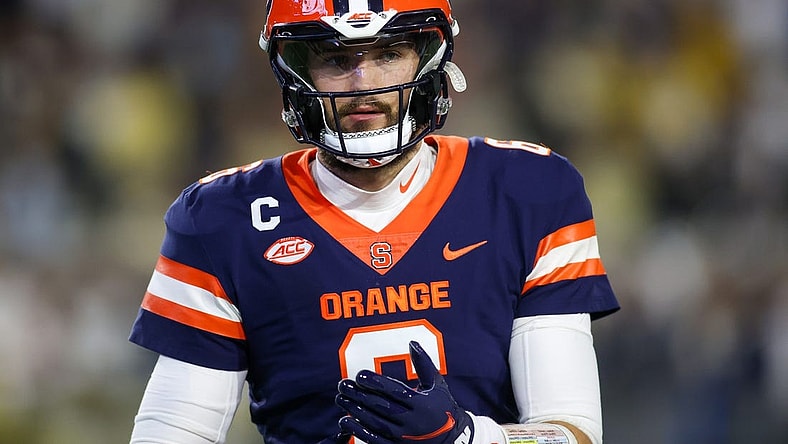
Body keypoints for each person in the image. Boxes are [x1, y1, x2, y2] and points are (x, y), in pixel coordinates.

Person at [128, 1, 620, 443]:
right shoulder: (222, 219)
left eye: (388, 54)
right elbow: (174, 432)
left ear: (429, 58)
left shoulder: (528, 190)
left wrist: (466, 439)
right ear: (297, 71)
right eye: (337, 60)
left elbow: (570, 433)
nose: (363, 84)